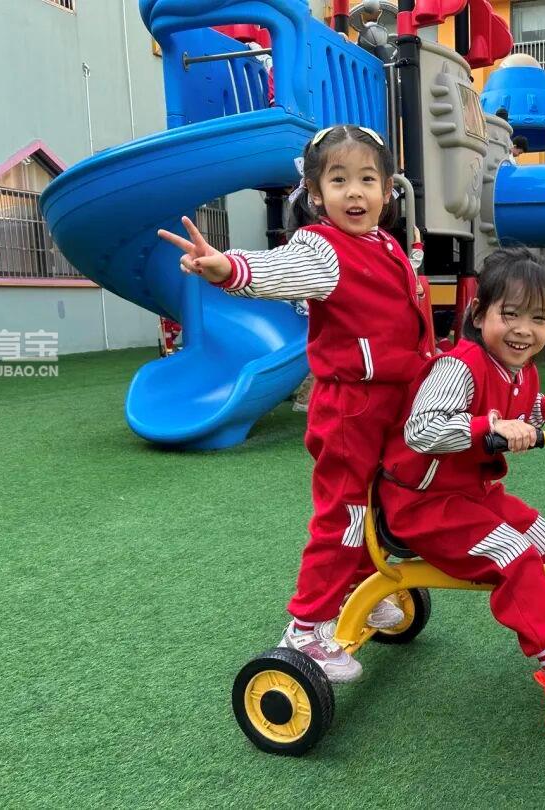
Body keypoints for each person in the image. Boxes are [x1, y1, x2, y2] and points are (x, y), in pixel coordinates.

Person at [157, 125, 431, 682]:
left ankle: (357, 588)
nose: (354, 192)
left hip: (390, 402)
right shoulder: (324, 249)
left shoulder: (385, 245)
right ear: (316, 195)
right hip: (351, 409)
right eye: (338, 180)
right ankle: (306, 627)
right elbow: (281, 270)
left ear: (387, 191)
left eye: (367, 180)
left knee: (375, 504)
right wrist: (228, 268)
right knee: (345, 515)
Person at [377, 248, 545, 727]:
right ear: (479, 314)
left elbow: (520, 408)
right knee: (514, 555)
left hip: (473, 496)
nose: (524, 330)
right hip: (423, 504)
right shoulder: (458, 367)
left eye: (538, 318)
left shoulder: (521, 370)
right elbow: (422, 430)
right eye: (511, 314)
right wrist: (489, 427)